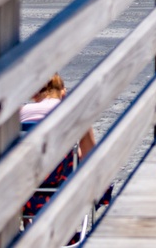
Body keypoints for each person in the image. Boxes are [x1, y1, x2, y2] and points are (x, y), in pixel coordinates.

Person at [19, 75, 101, 231]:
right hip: (60, 182)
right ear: (63, 92)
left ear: (34, 94)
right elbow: (91, 155)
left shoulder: (21, 113)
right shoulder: (72, 112)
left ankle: (29, 230)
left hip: (25, 190)